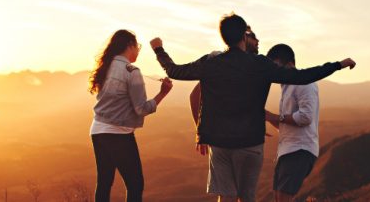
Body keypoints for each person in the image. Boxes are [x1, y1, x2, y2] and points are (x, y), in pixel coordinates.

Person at [150, 13, 356, 202]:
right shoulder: (260, 64)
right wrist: (337, 65)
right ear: (244, 36)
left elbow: (175, 71)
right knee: (247, 197)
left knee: (226, 197)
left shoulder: (211, 63)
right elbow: (301, 76)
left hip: (219, 143)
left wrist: (159, 49)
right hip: (250, 142)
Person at [89, 29, 173, 202]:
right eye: (137, 46)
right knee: (135, 184)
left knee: (104, 182)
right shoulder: (131, 71)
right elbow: (141, 109)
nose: (138, 50)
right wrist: (163, 93)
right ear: (130, 46)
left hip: (97, 130)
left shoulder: (105, 67)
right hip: (118, 133)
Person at [190, 25, 261, 154]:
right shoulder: (220, 63)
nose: (258, 41)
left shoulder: (249, 67)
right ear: (243, 38)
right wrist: (201, 133)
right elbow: (195, 96)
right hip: (221, 143)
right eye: (253, 37)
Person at [264, 44, 320, 202]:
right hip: (287, 150)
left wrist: (275, 116)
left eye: (276, 67)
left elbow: (305, 117)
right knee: (278, 197)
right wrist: (269, 117)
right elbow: (286, 124)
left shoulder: (304, 83)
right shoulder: (286, 86)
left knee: (283, 198)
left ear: (289, 64)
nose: (274, 73)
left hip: (300, 150)